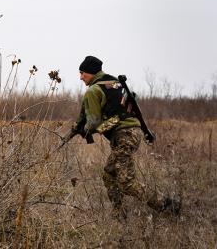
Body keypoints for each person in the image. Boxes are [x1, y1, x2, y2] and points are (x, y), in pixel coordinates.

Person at [65, 55, 180, 219]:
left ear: (91, 72)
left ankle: (167, 206)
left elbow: (93, 122)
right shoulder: (114, 84)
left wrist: (83, 130)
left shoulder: (93, 90)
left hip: (124, 135)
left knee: (127, 182)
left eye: (83, 73)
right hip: (132, 133)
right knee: (109, 174)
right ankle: (119, 214)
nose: (81, 77)